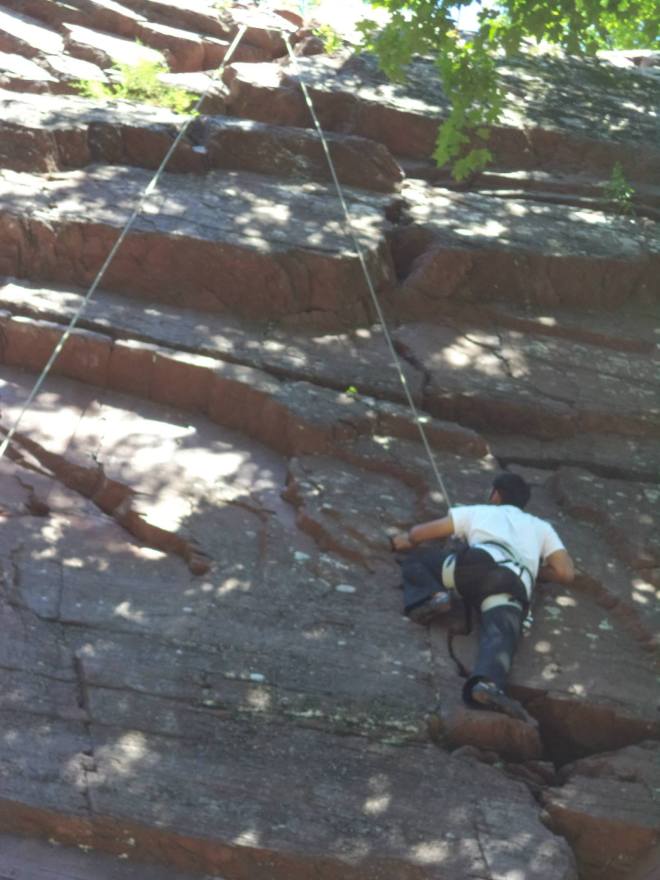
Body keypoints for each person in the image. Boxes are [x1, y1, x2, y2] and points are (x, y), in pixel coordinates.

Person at [391, 473, 575, 721]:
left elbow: (419, 534)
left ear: (496, 494)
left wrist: (403, 540)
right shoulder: (542, 527)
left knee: (419, 560)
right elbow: (565, 572)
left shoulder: (478, 511)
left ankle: (432, 597)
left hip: (476, 565)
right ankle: (486, 685)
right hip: (513, 581)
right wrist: (532, 568)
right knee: (501, 635)